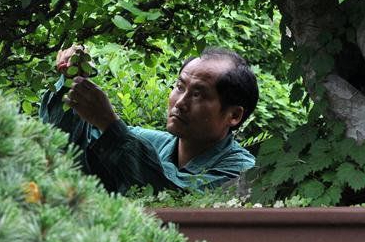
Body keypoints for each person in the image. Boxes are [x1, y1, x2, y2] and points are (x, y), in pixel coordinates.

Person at [39, 45, 257, 194]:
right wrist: (71, 80)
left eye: (198, 94)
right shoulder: (152, 141)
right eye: (179, 87)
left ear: (234, 115)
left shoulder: (243, 171)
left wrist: (110, 124)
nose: (180, 102)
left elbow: (176, 195)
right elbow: (67, 146)